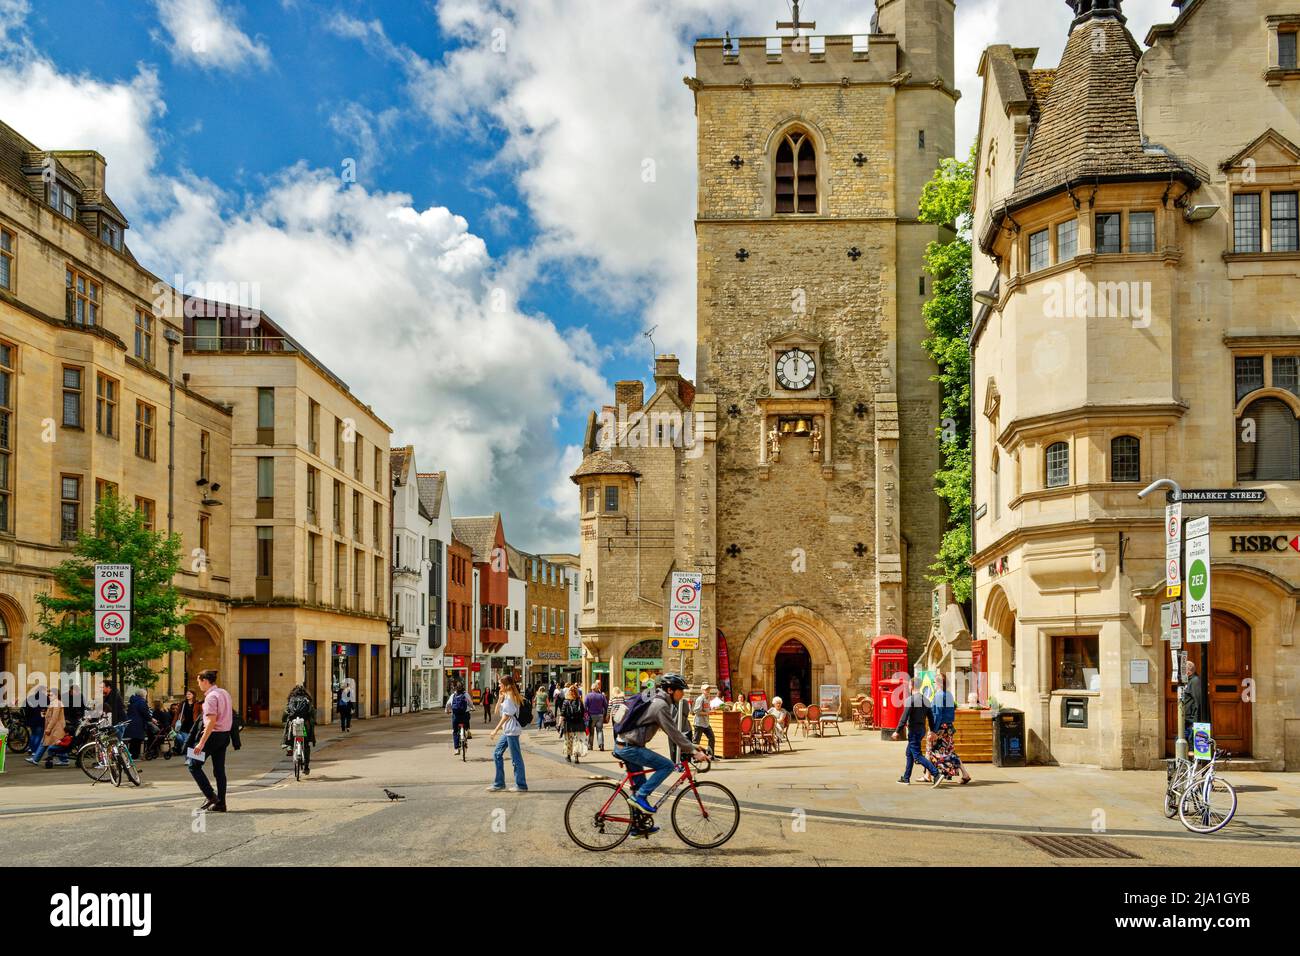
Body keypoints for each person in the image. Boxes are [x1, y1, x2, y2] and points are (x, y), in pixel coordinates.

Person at [612, 674, 705, 817]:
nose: (683, 694)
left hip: (624, 744)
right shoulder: (660, 705)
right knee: (667, 766)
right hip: (630, 747)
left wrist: (691, 745)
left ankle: (637, 826)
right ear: (670, 690)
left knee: (640, 786)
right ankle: (640, 797)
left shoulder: (653, 696)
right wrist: (692, 750)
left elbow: (673, 732)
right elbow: (673, 732)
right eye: (681, 690)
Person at [189, 669, 233, 812]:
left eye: (199, 682)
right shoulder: (224, 693)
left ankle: (211, 797)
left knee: (193, 765)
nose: (198, 685)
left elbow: (211, 721)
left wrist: (201, 743)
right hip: (225, 735)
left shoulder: (211, 697)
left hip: (212, 736)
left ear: (205, 681)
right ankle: (221, 804)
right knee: (219, 770)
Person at [892, 680, 942, 787]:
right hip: (921, 730)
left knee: (917, 755)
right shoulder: (926, 700)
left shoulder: (910, 700)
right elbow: (931, 717)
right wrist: (933, 731)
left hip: (914, 730)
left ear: (911, 686)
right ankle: (906, 778)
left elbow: (904, 717)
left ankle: (936, 773)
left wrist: (897, 731)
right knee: (909, 753)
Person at [487, 675, 527, 793]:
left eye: (500, 684)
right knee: (497, 754)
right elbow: (496, 712)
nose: (499, 685)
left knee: (516, 758)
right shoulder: (506, 697)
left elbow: (506, 716)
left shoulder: (510, 697)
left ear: (506, 685)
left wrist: (495, 730)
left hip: (511, 731)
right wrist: (500, 698)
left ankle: (521, 785)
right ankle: (499, 783)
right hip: (507, 731)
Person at [282, 683, 316, 774]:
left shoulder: (291, 699)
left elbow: (286, 712)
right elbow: (312, 712)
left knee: (288, 730)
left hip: (293, 723)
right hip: (305, 724)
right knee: (306, 745)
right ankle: (306, 767)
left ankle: (289, 746)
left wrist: (284, 719)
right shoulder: (307, 699)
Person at [27, 691, 67, 767]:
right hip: (53, 727)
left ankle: (64, 759)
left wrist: (48, 728)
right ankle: (35, 759)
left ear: (56, 695)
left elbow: (54, 718)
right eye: (49, 695)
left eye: (51, 695)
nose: (49, 696)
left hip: (55, 728)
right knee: (45, 743)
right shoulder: (54, 703)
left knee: (54, 744)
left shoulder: (57, 704)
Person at [559, 684, 587, 763]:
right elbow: (583, 713)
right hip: (579, 724)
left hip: (569, 724)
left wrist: (559, 724)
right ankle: (576, 757)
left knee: (568, 740)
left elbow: (562, 714)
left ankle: (568, 756)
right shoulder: (579, 701)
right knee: (577, 741)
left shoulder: (566, 701)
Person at [446, 681, 473, 754]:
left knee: (455, 731)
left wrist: (447, 710)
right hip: (464, 715)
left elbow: (448, 704)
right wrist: (472, 707)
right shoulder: (466, 694)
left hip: (456, 716)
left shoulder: (453, 695)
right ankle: (467, 730)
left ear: (455, 688)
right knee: (467, 717)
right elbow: (470, 703)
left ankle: (456, 748)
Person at [1180, 659, 1203, 745]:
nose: (1181, 673)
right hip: (1186, 719)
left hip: (1191, 720)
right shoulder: (1188, 681)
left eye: (1183, 670)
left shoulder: (1195, 681)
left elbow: (1198, 701)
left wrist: (1195, 721)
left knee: (1191, 744)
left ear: (1188, 672)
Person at [124, 690, 150, 760]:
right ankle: (134, 755)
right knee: (137, 739)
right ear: (143, 695)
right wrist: (150, 719)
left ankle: (131, 754)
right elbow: (144, 712)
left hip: (131, 722)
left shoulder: (133, 701)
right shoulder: (141, 702)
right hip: (138, 722)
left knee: (133, 739)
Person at [691, 683, 717, 755]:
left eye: (708, 689)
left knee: (712, 738)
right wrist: (708, 713)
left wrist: (711, 710)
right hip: (699, 723)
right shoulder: (700, 699)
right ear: (702, 690)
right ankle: (695, 757)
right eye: (706, 689)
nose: (708, 691)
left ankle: (710, 756)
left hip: (706, 723)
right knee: (696, 741)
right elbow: (696, 711)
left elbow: (706, 709)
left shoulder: (708, 698)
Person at [584, 680, 608, 751]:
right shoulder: (601, 696)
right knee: (600, 731)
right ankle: (601, 745)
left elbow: (585, 706)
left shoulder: (588, 696)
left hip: (591, 715)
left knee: (591, 732)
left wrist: (586, 714)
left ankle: (590, 746)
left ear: (592, 689)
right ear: (597, 688)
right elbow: (606, 706)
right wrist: (605, 714)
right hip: (600, 715)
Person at [175, 688, 201, 753]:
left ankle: (189, 758)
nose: (187, 695)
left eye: (189, 694)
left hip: (193, 725)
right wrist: (174, 724)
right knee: (185, 741)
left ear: (193, 695)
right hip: (184, 725)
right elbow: (177, 714)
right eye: (186, 694)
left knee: (190, 743)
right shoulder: (183, 703)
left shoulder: (197, 704)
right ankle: (188, 757)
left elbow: (202, 714)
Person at [23, 684, 47, 755]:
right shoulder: (44, 698)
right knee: (39, 735)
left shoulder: (30, 697)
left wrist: (28, 717)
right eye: (45, 690)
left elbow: (25, 708)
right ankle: (35, 750)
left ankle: (31, 748)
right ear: (42, 690)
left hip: (31, 720)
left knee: (33, 734)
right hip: (40, 720)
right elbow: (48, 708)